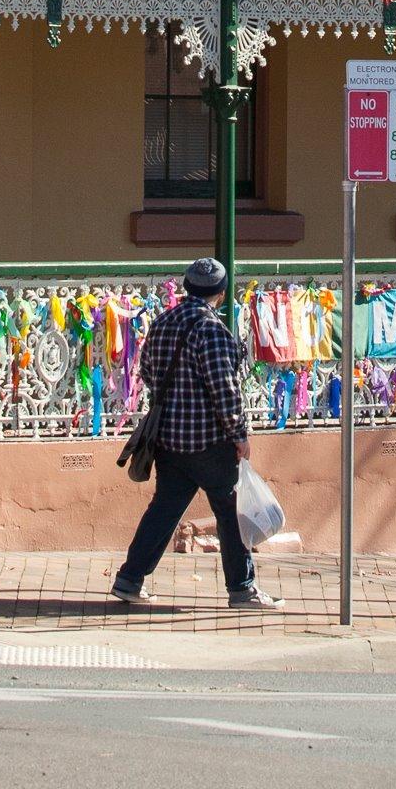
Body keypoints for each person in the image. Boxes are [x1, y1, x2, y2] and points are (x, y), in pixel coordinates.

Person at [110, 258, 277, 609]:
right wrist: (239, 433)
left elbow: (149, 374)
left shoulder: (162, 323)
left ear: (187, 287)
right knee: (231, 515)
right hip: (209, 442)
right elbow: (224, 388)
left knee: (164, 510)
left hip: (169, 441)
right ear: (220, 291)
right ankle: (242, 589)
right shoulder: (211, 330)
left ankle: (129, 579)